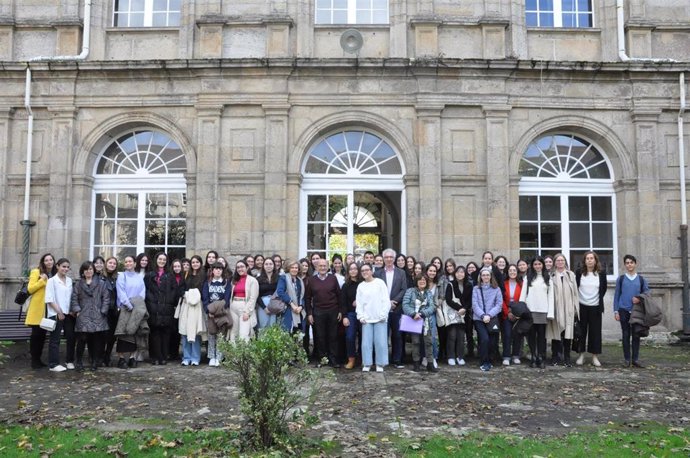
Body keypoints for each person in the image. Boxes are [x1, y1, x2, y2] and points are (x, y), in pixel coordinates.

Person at [70, 261, 110, 371]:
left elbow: (106, 298)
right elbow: (74, 299)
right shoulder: (78, 284)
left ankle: (95, 362)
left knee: (96, 340)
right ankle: (79, 361)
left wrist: (103, 311)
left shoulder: (101, 283)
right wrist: (77, 311)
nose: (89, 271)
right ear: (83, 271)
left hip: (98, 314)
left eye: (91, 269)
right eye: (86, 269)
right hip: (83, 314)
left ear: (93, 271)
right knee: (82, 340)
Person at [613, 254, 650, 368]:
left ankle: (635, 359)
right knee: (625, 334)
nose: (629, 264)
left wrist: (639, 298)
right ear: (625, 265)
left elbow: (647, 292)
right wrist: (616, 311)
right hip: (623, 310)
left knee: (636, 335)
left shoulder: (641, 279)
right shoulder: (621, 279)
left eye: (631, 262)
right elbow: (617, 295)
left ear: (635, 264)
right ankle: (626, 359)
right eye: (627, 263)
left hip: (637, 312)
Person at [374, 248, 408, 368]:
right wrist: (387, 303)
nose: (389, 259)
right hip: (382, 309)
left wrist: (394, 301)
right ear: (383, 259)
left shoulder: (401, 273)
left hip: (397, 308)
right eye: (386, 257)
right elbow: (375, 291)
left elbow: (404, 289)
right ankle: (383, 360)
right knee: (382, 335)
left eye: (391, 257)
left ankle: (396, 360)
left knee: (397, 335)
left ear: (394, 259)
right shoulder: (377, 273)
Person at [305, 259, 343, 368]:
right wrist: (309, 313)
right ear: (316, 267)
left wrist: (340, 310)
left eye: (324, 266)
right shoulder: (311, 280)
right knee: (320, 336)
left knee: (333, 336)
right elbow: (308, 298)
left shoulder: (333, 278)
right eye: (320, 266)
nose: (322, 268)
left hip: (333, 311)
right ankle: (322, 359)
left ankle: (333, 359)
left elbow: (339, 295)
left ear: (328, 267)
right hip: (318, 312)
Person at [519, 256, 554, 369]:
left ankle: (541, 357)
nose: (537, 266)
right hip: (530, 311)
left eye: (539, 264)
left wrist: (550, 313)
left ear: (543, 265)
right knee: (531, 336)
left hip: (543, 311)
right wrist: (522, 311)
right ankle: (533, 356)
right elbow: (523, 295)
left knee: (541, 336)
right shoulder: (528, 278)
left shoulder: (547, 277)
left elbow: (551, 296)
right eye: (535, 264)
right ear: (532, 266)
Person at [575, 251, 607, 367]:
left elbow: (603, 289)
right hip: (581, 307)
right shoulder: (579, 273)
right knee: (581, 332)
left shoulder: (601, 273)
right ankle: (581, 355)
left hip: (596, 307)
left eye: (591, 258)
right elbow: (575, 288)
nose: (589, 260)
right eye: (587, 258)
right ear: (584, 261)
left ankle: (595, 357)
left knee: (595, 333)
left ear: (595, 260)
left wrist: (595, 300)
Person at [25, 253, 57, 369]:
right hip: (37, 308)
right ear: (43, 262)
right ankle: (34, 360)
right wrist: (42, 280)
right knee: (36, 335)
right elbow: (30, 289)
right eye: (46, 260)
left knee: (43, 336)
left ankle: (39, 359)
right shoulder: (36, 272)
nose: (49, 262)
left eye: (51, 260)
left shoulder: (54, 274)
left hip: (49, 309)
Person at [356, 264, 390, 372]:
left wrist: (383, 314)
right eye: (362, 271)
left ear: (372, 271)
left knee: (380, 342)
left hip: (380, 318)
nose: (365, 272)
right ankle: (367, 363)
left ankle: (380, 363)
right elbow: (359, 302)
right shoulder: (361, 286)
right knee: (366, 343)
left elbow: (386, 299)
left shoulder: (380, 283)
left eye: (367, 270)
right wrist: (360, 316)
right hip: (367, 318)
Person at [115, 255, 147, 369]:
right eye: (126, 261)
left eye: (130, 261)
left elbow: (142, 291)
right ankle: (122, 358)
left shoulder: (139, 277)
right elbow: (121, 292)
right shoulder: (121, 276)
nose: (128, 263)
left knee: (135, 334)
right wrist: (129, 305)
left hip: (137, 309)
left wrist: (137, 305)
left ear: (134, 264)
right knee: (123, 333)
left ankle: (133, 357)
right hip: (125, 309)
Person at [548, 254, 579, 367]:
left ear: (565, 262)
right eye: (558, 260)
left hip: (568, 308)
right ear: (555, 263)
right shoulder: (551, 276)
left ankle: (567, 358)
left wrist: (575, 308)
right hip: (556, 308)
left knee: (568, 335)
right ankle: (554, 357)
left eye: (562, 260)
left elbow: (575, 292)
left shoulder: (571, 275)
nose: (560, 262)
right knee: (556, 334)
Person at [402, 274, 437, 373]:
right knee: (415, 342)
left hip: (426, 321)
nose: (422, 282)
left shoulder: (429, 293)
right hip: (414, 320)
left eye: (424, 280)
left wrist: (423, 313)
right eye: (420, 280)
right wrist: (413, 314)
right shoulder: (410, 291)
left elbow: (432, 306)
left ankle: (430, 364)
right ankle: (416, 363)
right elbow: (405, 305)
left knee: (429, 343)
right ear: (416, 281)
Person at [45, 258, 74, 372]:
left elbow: (70, 297)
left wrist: (71, 310)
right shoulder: (52, 281)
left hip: (68, 314)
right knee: (55, 339)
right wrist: (59, 312)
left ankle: (69, 361)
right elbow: (49, 299)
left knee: (71, 337)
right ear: (57, 266)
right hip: (56, 313)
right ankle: (53, 364)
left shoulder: (70, 281)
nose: (65, 269)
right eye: (63, 266)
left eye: (67, 267)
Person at [472, 267, 502, 372]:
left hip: (492, 318)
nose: (485, 277)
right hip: (479, 319)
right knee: (484, 339)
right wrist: (483, 316)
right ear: (480, 277)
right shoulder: (476, 289)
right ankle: (485, 362)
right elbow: (475, 305)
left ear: (490, 276)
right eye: (483, 275)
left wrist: (489, 315)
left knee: (492, 342)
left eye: (487, 275)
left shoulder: (496, 289)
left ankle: (490, 359)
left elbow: (499, 305)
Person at [202, 262, 231, 366]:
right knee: (211, 335)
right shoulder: (207, 283)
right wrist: (209, 311)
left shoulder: (226, 283)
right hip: (210, 314)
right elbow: (205, 299)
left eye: (220, 269)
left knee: (221, 335)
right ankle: (212, 357)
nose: (218, 270)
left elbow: (226, 300)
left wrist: (218, 312)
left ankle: (219, 357)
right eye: (216, 269)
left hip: (221, 313)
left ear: (222, 271)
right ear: (212, 270)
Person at [179, 255, 206, 366]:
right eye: (193, 262)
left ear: (200, 263)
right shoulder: (186, 275)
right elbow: (181, 288)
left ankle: (195, 357)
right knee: (185, 331)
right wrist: (185, 295)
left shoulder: (203, 276)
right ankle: (186, 357)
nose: (194, 264)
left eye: (197, 262)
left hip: (197, 306)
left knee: (195, 332)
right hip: (186, 305)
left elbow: (204, 290)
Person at [444, 265, 471, 366]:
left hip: (464, 314)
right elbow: (448, 299)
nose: (460, 274)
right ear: (455, 274)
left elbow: (470, 300)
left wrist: (465, 309)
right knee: (452, 335)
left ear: (465, 274)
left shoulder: (469, 285)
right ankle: (451, 356)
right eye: (458, 272)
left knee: (461, 336)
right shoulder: (450, 284)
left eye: (462, 272)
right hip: (453, 313)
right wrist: (459, 308)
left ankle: (460, 356)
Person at [227, 260, 259, 342]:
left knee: (244, 333)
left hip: (244, 307)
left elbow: (253, 297)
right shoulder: (234, 280)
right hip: (233, 307)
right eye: (238, 267)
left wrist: (247, 312)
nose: (240, 269)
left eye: (242, 267)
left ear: (247, 268)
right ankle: (233, 354)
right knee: (234, 332)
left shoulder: (252, 280)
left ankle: (244, 354)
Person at [340, 262, 361, 369]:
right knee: (350, 337)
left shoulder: (363, 283)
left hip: (364, 314)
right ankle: (351, 359)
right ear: (348, 271)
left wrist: (359, 301)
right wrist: (344, 316)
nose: (353, 271)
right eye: (351, 269)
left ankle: (362, 359)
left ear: (358, 270)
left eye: (355, 269)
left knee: (364, 338)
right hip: (351, 314)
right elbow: (342, 303)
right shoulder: (345, 286)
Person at [276, 260, 305, 333]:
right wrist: (292, 304)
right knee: (287, 331)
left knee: (297, 333)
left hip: (299, 310)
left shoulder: (299, 280)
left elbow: (302, 295)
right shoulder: (283, 278)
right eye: (292, 267)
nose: (294, 269)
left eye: (296, 268)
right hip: (287, 309)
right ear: (288, 268)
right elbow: (280, 292)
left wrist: (301, 306)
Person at [502, 264, 524, 365]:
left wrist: (518, 313)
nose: (512, 272)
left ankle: (515, 355)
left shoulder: (522, 284)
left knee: (517, 335)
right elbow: (501, 299)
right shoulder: (503, 283)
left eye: (514, 270)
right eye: (510, 270)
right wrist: (508, 312)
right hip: (506, 312)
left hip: (518, 313)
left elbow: (523, 299)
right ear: (507, 272)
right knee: (507, 334)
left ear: (517, 272)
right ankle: (506, 356)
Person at [101, 256, 119, 367]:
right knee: (103, 335)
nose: (112, 265)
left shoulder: (117, 278)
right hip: (104, 310)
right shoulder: (100, 278)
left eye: (114, 263)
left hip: (114, 311)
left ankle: (107, 356)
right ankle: (100, 357)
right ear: (106, 264)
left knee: (112, 336)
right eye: (110, 263)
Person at [257, 257, 280, 333]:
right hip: (262, 305)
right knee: (263, 326)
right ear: (263, 266)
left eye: (270, 264)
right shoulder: (258, 279)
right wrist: (264, 308)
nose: (268, 266)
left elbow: (281, 292)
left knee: (273, 327)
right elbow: (257, 295)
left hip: (275, 304)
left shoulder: (279, 278)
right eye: (266, 264)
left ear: (274, 266)